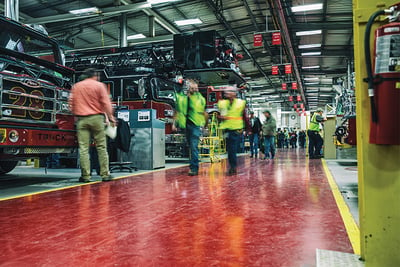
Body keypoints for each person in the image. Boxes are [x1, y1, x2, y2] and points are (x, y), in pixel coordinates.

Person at [68, 68, 116, 182]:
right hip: (97, 119)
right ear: (94, 75)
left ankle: (85, 176)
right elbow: (106, 103)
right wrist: (111, 117)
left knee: (84, 149)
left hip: (82, 120)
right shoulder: (99, 86)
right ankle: (105, 174)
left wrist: (76, 115)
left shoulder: (76, 86)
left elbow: (71, 104)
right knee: (101, 147)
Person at [173, 79, 208, 176]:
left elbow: (204, 113)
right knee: (190, 146)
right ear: (188, 88)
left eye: (196, 88)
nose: (195, 90)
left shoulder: (199, 99)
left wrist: (205, 125)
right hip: (185, 125)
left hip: (195, 125)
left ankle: (194, 168)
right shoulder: (182, 97)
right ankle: (192, 165)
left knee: (193, 147)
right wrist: (174, 123)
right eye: (193, 88)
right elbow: (177, 110)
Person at [217, 87, 249, 175]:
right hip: (226, 129)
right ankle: (232, 166)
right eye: (226, 92)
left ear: (234, 93)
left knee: (232, 149)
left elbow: (244, 117)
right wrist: (220, 117)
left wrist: (248, 129)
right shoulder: (223, 103)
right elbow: (220, 115)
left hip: (236, 129)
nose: (227, 93)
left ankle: (233, 167)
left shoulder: (240, 103)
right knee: (230, 149)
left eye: (230, 92)